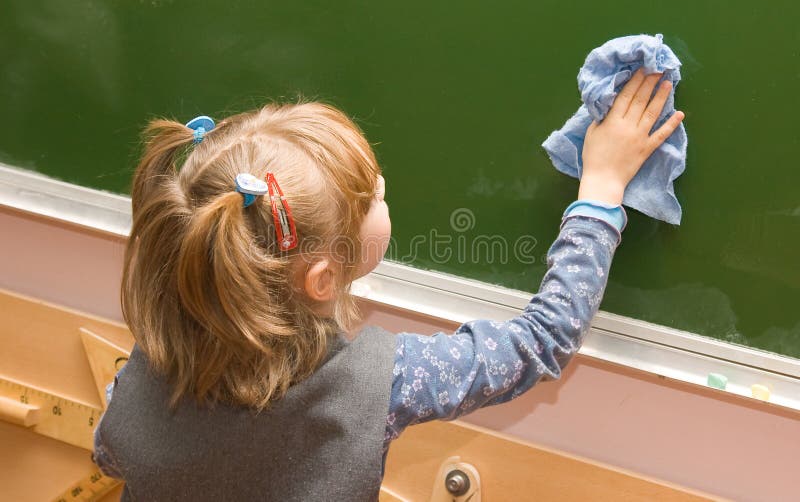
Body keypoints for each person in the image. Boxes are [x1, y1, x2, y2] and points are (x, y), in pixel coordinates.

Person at [94, 69, 684, 500]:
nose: (383, 188)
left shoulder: (151, 362)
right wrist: (602, 188)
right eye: (373, 196)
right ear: (323, 279)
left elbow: (111, 452)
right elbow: (542, 339)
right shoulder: (386, 380)